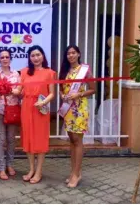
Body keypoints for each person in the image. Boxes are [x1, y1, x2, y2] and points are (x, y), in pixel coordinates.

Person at [12, 45, 56, 184]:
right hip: (26, 107)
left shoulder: (50, 73)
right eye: (33, 55)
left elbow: (52, 93)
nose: (36, 58)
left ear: (43, 56)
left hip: (41, 109)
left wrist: (43, 103)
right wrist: (12, 90)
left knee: (40, 139)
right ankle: (31, 169)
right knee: (28, 139)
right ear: (29, 58)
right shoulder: (24, 72)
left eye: (38, 55)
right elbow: (19, 89)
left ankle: (39, 171)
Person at [59, 45, 95, 188]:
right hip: (68, 108)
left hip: (79, 108)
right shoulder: (65, 70)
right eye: (68, 53)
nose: (71, 56)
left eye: (73, 53)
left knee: (77, 140)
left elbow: (93, 89)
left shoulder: (85, 70)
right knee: (71, 140)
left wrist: (78, 94)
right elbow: (61, 88)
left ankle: (77, 174)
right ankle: (73, 172)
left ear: (79, 54)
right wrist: (63, 95)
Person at [0, 49, 21, 180]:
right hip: (0, 111)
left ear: (10, 59)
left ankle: (10, 164)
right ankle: (1, 168)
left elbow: (19, 90)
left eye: (7, 57)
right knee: (1, 140)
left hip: (13, 110)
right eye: (2, 57)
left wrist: (13, 91)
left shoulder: (16, 74)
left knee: (11, 139)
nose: (5, 59)